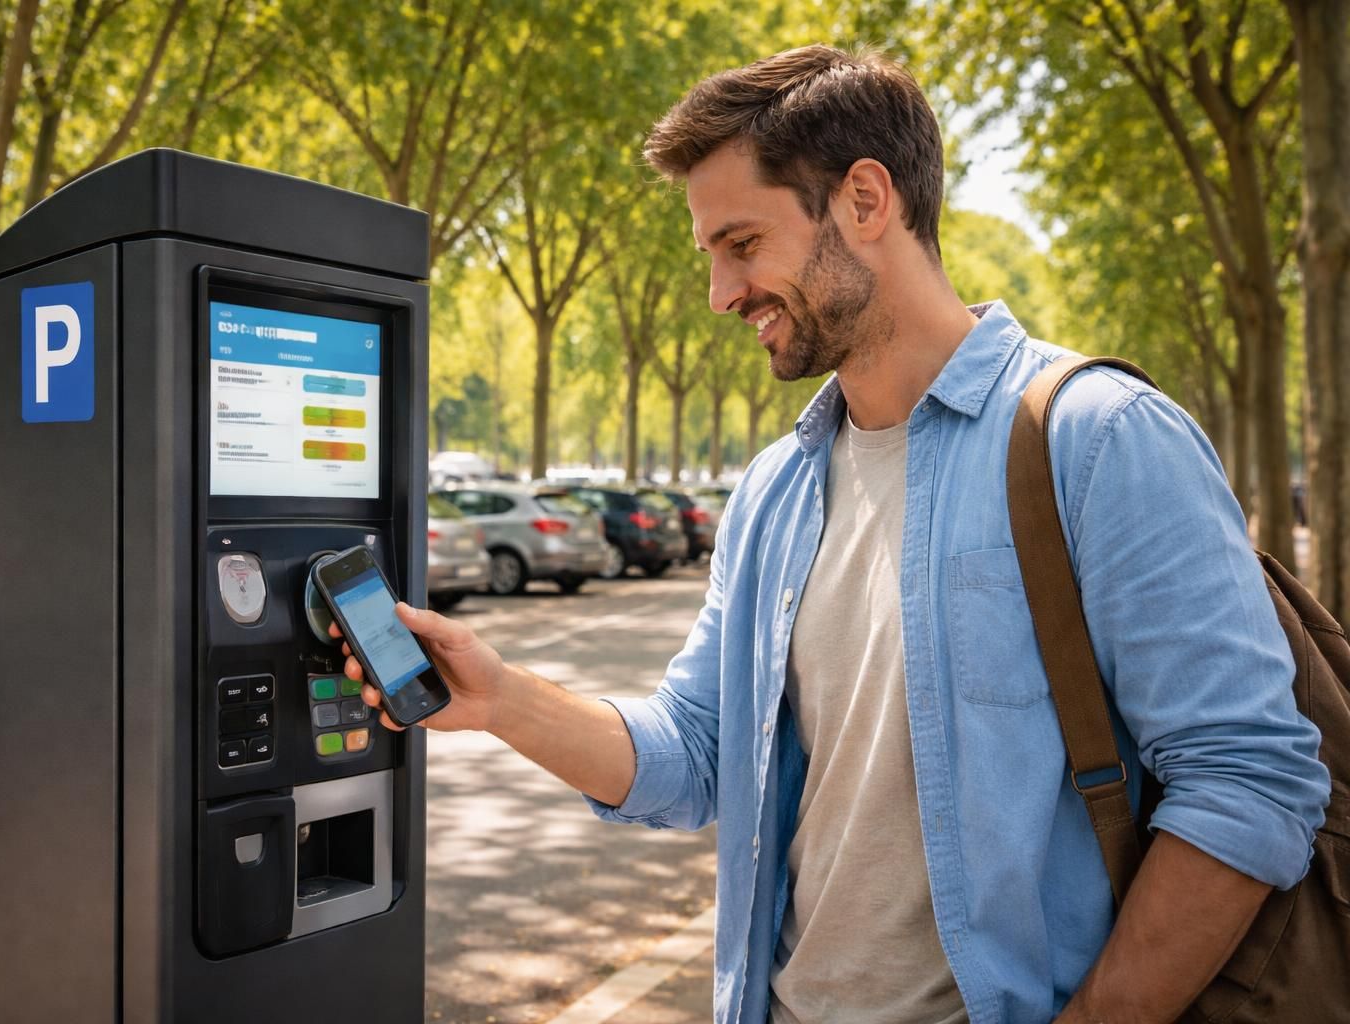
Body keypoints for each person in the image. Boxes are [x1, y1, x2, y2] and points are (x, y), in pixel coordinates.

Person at [332, 45, 1330, 1024]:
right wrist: (503, 699)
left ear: (864, 200)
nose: (722, 294)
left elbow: (1248, 783)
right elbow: (695, 748)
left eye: (742, 244)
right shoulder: (773, 491)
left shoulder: (1103, 440)